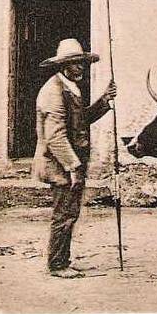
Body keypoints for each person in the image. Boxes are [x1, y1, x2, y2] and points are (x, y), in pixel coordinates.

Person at [33, 38, 117, 277]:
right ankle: (57, 265)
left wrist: (104, 101)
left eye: (82, 63)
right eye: (75, 64)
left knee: (71, 213)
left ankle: (63, 259)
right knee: (63, 214)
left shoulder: (70, 87)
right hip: (59, 164)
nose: (81, 67)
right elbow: (55, 137)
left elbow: (81, 121)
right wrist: (73, 166)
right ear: (63, 65)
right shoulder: (53, 91)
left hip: (70, 163)